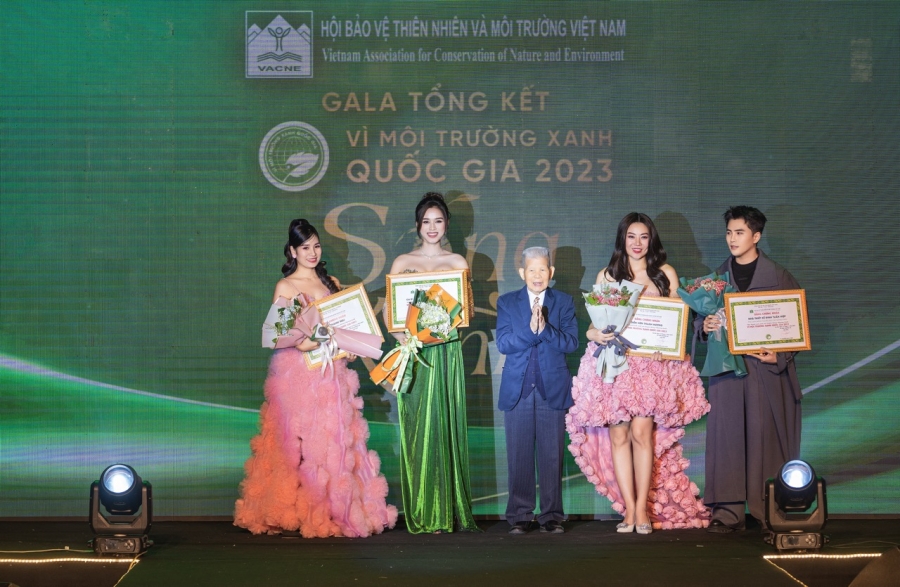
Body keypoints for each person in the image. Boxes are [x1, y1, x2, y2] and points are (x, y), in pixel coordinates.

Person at [234, 219, 397, 537]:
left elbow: (344, 328)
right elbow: (281, 335)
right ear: (292, 251)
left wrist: (348, 347)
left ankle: (335, 508)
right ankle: (294, 510)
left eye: (316, 246)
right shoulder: (286, 287)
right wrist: (309, 340)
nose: (312, 252)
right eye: (305, 247)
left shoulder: (330, 282)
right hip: (298, 374)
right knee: (296, 445)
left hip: (330, 374)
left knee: (333, 443)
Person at [567, 213, 711, 532]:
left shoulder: (665, 274)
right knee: (618, 436)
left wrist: (667, 346)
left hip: (650, 368)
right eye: (631, 236)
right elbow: (594, 325)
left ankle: (643, 509)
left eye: (643, 237)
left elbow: (678, 322)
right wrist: (595, 334)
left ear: (651, 240)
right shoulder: (608, 276)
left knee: (642, 434)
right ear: (623, 240)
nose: (637, 243)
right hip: (615, 365)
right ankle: (630, 510)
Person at [701, 206, 802, 533]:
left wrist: (779, 356)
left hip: (763, 372)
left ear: (756, 236)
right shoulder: (716, 279)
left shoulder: (778, 276)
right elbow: (701, 326)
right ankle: (728, 512)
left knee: (764, 438)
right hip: (728, 372)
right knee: (727, 437)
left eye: (740, 232)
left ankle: (766, 508)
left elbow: (796, 326)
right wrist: (705, 326)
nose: (732, 239)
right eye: (729, 232)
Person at [386, 192, 478, 534]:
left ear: (447, 224)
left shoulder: (457, 262)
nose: (432, 227)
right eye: (426, 221)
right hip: (415, 353)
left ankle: (447, 511)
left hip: (446, 353)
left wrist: (441, 327)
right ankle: (424, 510)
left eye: (438, 221)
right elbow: (391, 313)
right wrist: (404, 340)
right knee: (417, 428)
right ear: (417, 225)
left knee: (445, 424)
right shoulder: (402, 262)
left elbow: (465, 313)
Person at [496, 247, 579, 534]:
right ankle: (520, 515)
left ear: (551, 272)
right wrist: (529, 330)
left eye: (542, 269)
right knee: (518, 455)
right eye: (531, 269)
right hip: (517, 390)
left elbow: (571, 343)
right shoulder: (507, 302)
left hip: (552, 389)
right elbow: (504, 343)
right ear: (522, 273)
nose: (537, 275)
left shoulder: (564, 302)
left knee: (551, 455)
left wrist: (545, 330)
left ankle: (551, 515)